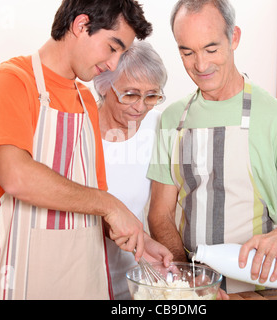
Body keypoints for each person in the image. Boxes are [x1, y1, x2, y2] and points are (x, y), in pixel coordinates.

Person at [0, 0, 167, 300]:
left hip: (83, 279)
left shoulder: (85, 102)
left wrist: (140, 240)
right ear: (81, 25)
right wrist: (111, 205)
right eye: (112, 47)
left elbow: (93, 209)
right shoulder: (12, 81)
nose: (113, 64)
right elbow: (15, 175)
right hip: (24, 275)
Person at [147, 0, 277, 295]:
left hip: (258, 287)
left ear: (234, 38)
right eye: (187, 52)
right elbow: (160, 214)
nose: (201, 65)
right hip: (194, 289)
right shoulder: (172, 119)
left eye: (211, 49)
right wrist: (190, 280)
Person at [94, 40, 171, 300]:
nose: (141, 107)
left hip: (135, 276)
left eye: (151, 95)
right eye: (130, 94)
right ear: (104, 86)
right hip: (81, 275)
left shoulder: (157, 125)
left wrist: (147, 244)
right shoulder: (79, 128)